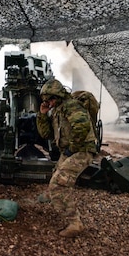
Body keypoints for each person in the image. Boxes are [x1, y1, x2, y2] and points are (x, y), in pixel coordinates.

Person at [37, 78, 97, 238]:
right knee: (57, 174)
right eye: (46, 100)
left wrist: (72, 148)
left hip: (82, 150)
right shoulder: (58, 109)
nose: (48, 102)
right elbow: (46, 134)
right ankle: (53, 197)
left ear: (57, 96)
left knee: (59, 184)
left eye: (50, 98)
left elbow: (82, 127)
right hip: (72, 150)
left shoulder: (71, 106)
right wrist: (42, 115)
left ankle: (74, 223)